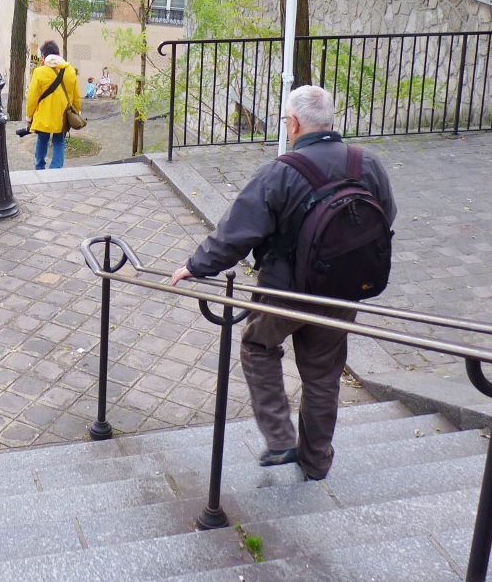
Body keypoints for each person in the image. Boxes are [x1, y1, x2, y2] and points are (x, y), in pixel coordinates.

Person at [168, 85, 396, 481]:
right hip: (343, 290)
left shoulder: (282, 172)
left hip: (284, 292)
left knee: (257, 345)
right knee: (323, 376)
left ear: (293, 124)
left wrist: (195, 266)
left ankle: (280, 438)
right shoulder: (367, 164)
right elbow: (385, 216)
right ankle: (317, 460)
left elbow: (237, 233)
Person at [25, 40, 80, 171]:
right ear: (59, 54)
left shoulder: (39, 72)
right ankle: (56, 169)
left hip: (44, 116)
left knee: (42, 141)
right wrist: (76, 113)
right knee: (59, 142)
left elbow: (32, 98)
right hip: (62, 116)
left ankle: (39, 167)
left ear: (44, 56)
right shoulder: (70, 71)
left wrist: (29, 117)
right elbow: (76, 96)